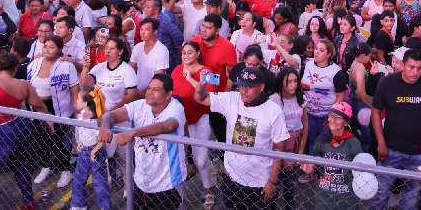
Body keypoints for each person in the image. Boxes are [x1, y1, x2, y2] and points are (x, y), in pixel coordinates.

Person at [194, 66, 290, 210]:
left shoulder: (273, 111)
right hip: (231, 177)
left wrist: (272, 181)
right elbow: (200, 98)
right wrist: (202, 84)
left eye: (249, 87)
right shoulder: (232, 99)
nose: (243, 91)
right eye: (241, 86)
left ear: (261, 87)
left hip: (260, 182)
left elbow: (279, 148)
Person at [0, 52, 50, 210]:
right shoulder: (24, 85)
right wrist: (49, 121)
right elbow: (39, 106)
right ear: (14, 69)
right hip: (22, 127)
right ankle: (29, 203)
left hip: (1, 133)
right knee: (21, 167)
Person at [99, 74, 188, 209]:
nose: (150, 92)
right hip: (141, 181)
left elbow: (168, 125)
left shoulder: (176, 108)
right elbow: (111, 115)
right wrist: (105, 126)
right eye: (149, 88)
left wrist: (133, 133)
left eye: (156, 90)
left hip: (169, 182)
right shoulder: (140, 105)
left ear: (168, 94)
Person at [371, 48, 421, 210]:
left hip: (419, 152)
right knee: (381, 191)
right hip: (390, 149)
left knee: (411, 195)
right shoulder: (387, 83)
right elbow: (375, 111)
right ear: (403, 65)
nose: (415, 72)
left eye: (419, 68)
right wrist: (381, 142)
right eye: (411, 67)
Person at [27, 34, 80, 187]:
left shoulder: (66, 66)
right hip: (36, 107)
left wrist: (78, 111)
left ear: (59, 49)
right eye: (45, 46)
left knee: (55, 140)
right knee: (39, 139)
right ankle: (46, 166)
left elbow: (74, 89)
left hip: (58, 108)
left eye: (52, 47)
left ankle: (66, 170)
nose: (47, 50)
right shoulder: (34, 64)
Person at [172, 42, 217, 208]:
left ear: (198, 53)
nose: (185, 55)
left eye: (189, 52)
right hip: (180, 120)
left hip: (200, 118)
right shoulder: (176, 69)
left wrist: (190, 78)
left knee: (201, 160)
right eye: (183, 52)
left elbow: (208, 94)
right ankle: (178, 196)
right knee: (179, 158)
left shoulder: (207, 71)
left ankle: (208, 189)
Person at [300, 102, 363, 209]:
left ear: (346, 122)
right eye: (331, 115)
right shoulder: (321, 140)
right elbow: (316, 166)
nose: (332, 120)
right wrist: (311, 169)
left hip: (346, 200)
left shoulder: (354, 143)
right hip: (324, 199)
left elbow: (360, 173)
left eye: (337, 117)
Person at [302, 39, 348, 151]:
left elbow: (340, 96)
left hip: (326, 116)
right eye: (316, 49)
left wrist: (332, 118)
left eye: (321, 50)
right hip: (308, 113)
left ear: (329, 54)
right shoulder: (308, 65)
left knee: (324, 145)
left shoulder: (336, 72)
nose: (316, 52)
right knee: (311, 143)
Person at [270, 67, 307, 205]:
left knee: (290, 182)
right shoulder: (273, 100)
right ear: (281, 82)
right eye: (288, 81)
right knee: (275, 180)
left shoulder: (301, 98)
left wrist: (301, 149)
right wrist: (280, 155)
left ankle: (289, 206)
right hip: (278, 145)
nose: (293, 85)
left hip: (295, 144)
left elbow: (305, 123)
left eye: (295, 81)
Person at [81, 36, 138, 113]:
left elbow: (132, 96)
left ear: (120, 52)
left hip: (117, 114)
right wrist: (85, 67)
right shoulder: (99, 67)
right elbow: (84, 84)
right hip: (98, 113)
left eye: (112, 49)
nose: (107, 51)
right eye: (106, 48)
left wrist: (111, 112)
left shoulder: (127, 70)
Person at [130, 17, 169, 95]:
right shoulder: (138, 47)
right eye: (141, 29)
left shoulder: (162, 50)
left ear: (155, 31)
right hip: (137, 90)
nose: (142, 32)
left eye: (147, 30)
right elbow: (131, 68)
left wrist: (144, 92)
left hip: (154, 92)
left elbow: (159, 77)